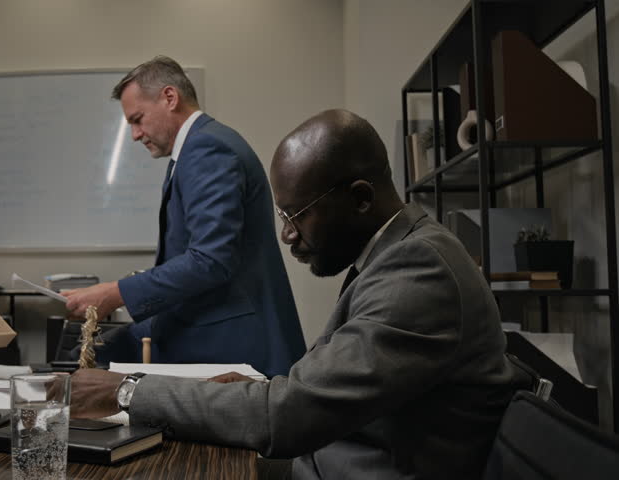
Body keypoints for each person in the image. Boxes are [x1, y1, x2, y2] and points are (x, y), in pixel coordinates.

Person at [69, 109, 530, 479]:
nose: (287, 235)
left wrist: (127, 392)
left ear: (361, 198)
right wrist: (265, 388)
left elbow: (287, 419)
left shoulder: (418, 270)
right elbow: (324, 386)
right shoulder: (399, 253)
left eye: (296, 215)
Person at [62, 56, 305, 377]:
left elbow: (210, 260)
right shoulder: (199, 148)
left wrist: (115, 293)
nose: (135, 134)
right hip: (222, 339)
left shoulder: (206, 148)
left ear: (169, 97)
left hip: (234, 348)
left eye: (138, 119)